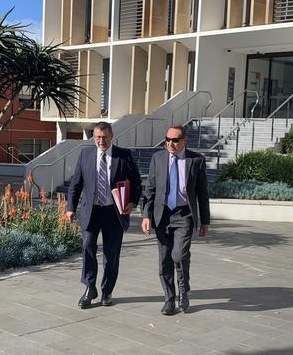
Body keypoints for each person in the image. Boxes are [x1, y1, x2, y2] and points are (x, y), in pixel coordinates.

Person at [67, 121, 142, 309]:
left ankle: (107, 291)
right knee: (87, 248)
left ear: (112, 136)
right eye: (97, 137)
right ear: (93, 137)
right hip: (91, 211)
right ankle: (89, 288)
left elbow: (137, 182)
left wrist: (132, 201)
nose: (101, 140)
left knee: (111, 254)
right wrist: (70, 208)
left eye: (104, 137)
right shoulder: (86, 153)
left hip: (113, 213)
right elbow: (76, 183)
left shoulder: (123, 155)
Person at [142, 125, 210, 315]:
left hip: (184, 215)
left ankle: (183, 290)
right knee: (164, 260)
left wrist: (204, 221)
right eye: (168, 139)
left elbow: (202, 193)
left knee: (178, 256)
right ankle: (169, 299)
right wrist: (146, 215)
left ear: (184, 141)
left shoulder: (196, 160)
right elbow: (150, 189)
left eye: (175, 140)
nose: (170, 143)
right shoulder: (158, 158)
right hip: (161, 216)